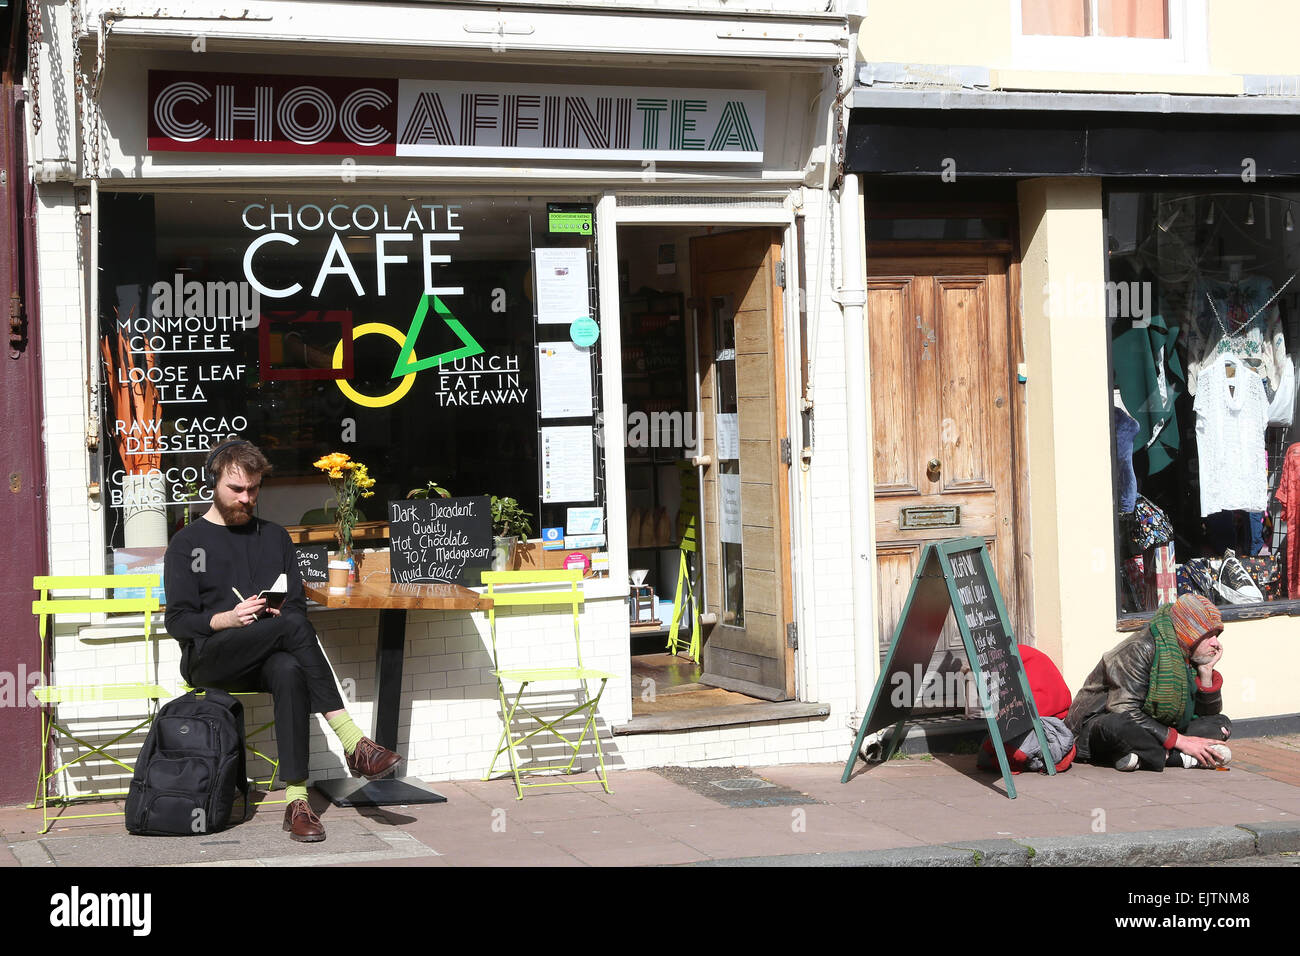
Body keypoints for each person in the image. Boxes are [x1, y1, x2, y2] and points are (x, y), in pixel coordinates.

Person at [164, 440, 404, 842]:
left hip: (266, 653)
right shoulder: (187, 544)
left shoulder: (274, 538)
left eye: (254, 489)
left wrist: (274, 617)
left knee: (290, 667)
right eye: (236, 489)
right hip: (210, 657)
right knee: (289, 632)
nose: (246, 498)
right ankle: (352, 741)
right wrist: (228, 618)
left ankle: (296, 801)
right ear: (214, 484)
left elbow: (295, 610)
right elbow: (178, 622)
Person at [1065, 593, 1232, 772]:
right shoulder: (1139, 648)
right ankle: (1179, 757)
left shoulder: (1188, 655)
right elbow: (1123, 709)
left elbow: (1206, 715)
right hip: (1100, 726)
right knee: (1119, 727)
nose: (1216, 643)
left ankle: (1138, 756)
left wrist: (1206, 673)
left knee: (1220, 724)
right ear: (1189, 632)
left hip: (1155, 726)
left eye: (1216, 634)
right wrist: (1181, 741)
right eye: (1208, 635)